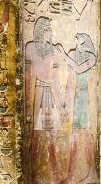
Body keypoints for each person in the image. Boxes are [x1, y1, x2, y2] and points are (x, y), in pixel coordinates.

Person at [25, 16, 65, 182]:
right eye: (47, 29)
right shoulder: (30, 48)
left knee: (50, 136)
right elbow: (27, 78)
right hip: (37, 93)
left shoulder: (54, 51)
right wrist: (27, 107)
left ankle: (55, 174)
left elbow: (55, 81)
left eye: (50, 29)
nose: (50, 32)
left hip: (48, 94)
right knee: (35, 137)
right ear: (40, 31)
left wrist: (61, 106)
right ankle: (32, 174)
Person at [58, 33, 97, 184]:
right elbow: (69, 81)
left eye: (79, 40)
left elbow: (79, 69)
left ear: (85, 41)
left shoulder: (91, 57)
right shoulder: (73, 54)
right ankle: (70, 175)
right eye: (76, 41)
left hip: (87, 99)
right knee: (74, 136)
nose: (77, 44)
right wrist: (65, 105)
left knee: (87, 136)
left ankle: (91, 173)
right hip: (77, 99)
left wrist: (64, 55)